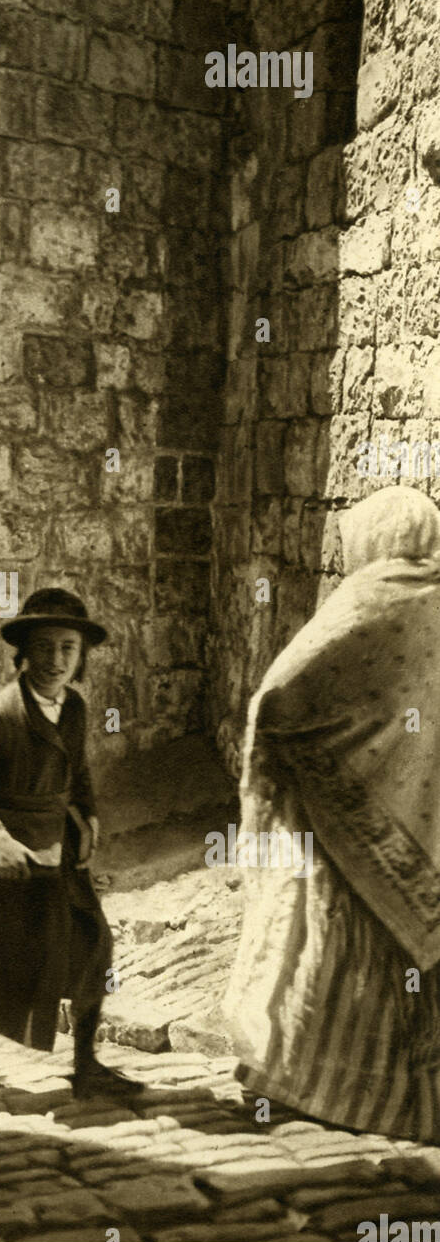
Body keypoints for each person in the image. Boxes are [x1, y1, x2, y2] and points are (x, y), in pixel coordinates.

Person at [224, 484, 440, 1142]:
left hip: (343, 826)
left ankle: (317, 1088)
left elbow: (285, 694)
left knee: (329, 952)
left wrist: (280, 759)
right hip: (423, 817)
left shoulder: (370, 594)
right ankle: (414, 1106)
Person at [0, 587, 144, 1100]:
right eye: (45, 648)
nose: (56, 660)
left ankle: (86, 1064)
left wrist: (88, 814)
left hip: (59, 853)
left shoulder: (73, 707)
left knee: (91, 946)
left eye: (68, 649)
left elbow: (78, 769)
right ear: (24, 653)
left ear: (81, 656)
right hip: (3, 858)